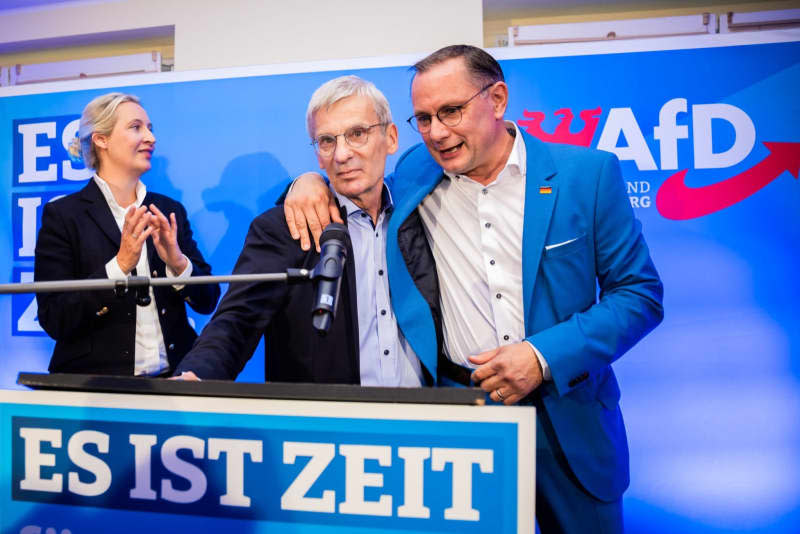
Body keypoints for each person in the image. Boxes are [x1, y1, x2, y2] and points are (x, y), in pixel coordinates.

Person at [284, 45, 664, 533]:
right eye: (423, 118)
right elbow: (351, 171)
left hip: (570, 423)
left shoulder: (586, 176)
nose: (437, 133)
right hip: (460, 427)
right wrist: (308, 180)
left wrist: (541, 356)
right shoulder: (415, 176)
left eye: (451, 111)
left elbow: (638, 294)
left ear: (498, 98)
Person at [173, 75, 430, 387]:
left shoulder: (421, 212)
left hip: (424, 422)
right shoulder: (283, 229)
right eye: (327, 141)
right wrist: (198, 375)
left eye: (357, 133)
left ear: (391, 138)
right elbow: (237, 320)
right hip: (322, 426)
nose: (342, 154)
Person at [34, 92, 220, 376]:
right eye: (136, 127)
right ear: (101, 139)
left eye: (150, 128)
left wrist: (178, 263)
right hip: (95, 391)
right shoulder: (63, 216)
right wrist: (119, 266)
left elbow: (207, 301)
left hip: (174, 385)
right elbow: (55, 317)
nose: (151, 138)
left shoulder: (169, 210)